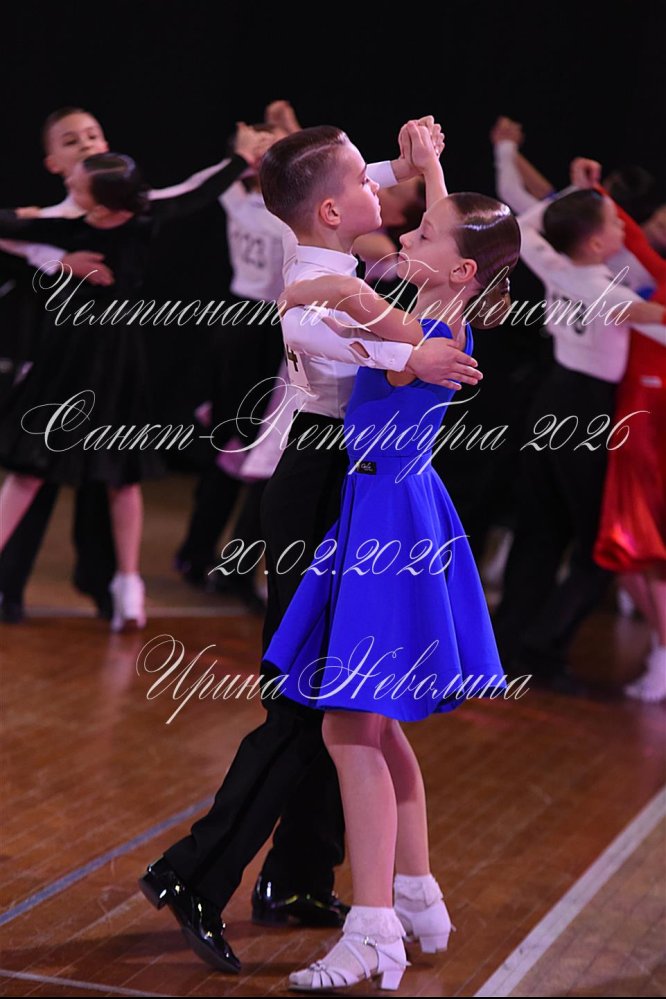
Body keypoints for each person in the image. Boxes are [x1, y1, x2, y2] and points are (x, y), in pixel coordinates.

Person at [137, 117, 483, 975]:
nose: (381, 189)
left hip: (352, 479)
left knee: (351, 700)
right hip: (323, 481)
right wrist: (412, 350)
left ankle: (298, 875)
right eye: (365, 183)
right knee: (306, 701)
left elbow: (356, 198)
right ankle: (195, 874)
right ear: (331, 211)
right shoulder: (313, 287)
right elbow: (365, 337)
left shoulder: (329, 243)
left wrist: (414, 163)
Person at [261, 124, 521, 992]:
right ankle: (417, 895)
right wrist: (430, 166)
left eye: (422, 233)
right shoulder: (443, 300)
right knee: (376, 725)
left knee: (348, 726)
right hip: (382, 506)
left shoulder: (426, 328)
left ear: (457, 269)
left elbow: (353, 312)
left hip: (386, 521)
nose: (405, 230)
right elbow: (451, 242)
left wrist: (332, 283)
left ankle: (374, 929)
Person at [0, 105, 260, 623]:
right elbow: (20, 237)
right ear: (56, 165)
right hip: (62, 359)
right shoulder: (55, 221)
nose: (85, 144)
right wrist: (56, 261)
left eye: (92, 135)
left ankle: (120, 583)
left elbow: (193, 191)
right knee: (33, 471)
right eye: (71, 140)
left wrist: (239, 160)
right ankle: (13, 586)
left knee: (119, 477)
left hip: (116, 363)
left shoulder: (133, 211)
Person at [491, 157, 666, 693]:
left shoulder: (557, 264)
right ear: (594, 243)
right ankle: (542, 648)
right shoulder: (608, 293)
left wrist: (574, 191)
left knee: (540, 529)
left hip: (550, 399)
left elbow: (524, 226)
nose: (624, 230)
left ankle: (509, 644)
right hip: (586, 411)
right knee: (598, 546)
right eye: (613, 223)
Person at [591, 183, 666, 702]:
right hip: (637, 410)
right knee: (631, 543)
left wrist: (597, 193)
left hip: (649, 417)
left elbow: (635, 238)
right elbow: (635, 239)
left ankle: (663, 651)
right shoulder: (655, 274)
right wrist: (596, 192)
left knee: (643, 541)